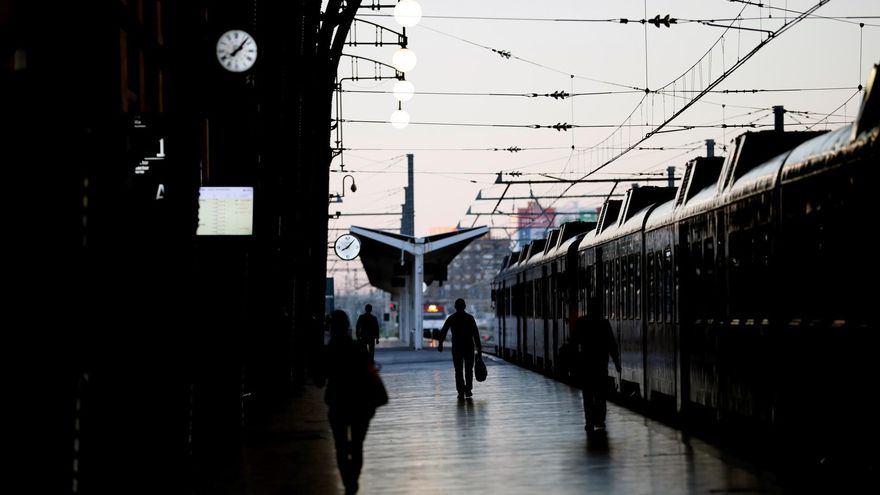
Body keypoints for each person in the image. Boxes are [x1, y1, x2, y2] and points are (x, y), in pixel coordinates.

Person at [316, 310, 377, 494]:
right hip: (359, 404)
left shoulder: (328, 351)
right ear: (347, 326)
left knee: (340, 446)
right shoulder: (359, 348)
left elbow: (319, 381)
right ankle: (353, 480)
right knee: (357, 445)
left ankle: (348, 482)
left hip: (337, 404)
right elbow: (370, 372)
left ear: (330, 329)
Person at [574, 297, 622, 435]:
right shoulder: (603, 323)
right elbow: (611, 344)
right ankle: (600, 419)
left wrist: (575, 361)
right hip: (600, 364)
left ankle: (589, 421)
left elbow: (574, 342)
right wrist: (616, 362)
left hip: (586, 364)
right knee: (600, 394)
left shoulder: (581, 322)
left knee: (588, 395)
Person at [437, 298, 482, 399]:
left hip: (457, 347)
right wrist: (479, 349)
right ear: (464, 306)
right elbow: (476, 335)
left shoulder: (451, 318)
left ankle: (461, 391)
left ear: (455, 307)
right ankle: (468, 389)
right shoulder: (470, 318)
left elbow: (443, 331)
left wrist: (440, 344)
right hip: (469, 347)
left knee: (458, 370)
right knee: (469, 369)